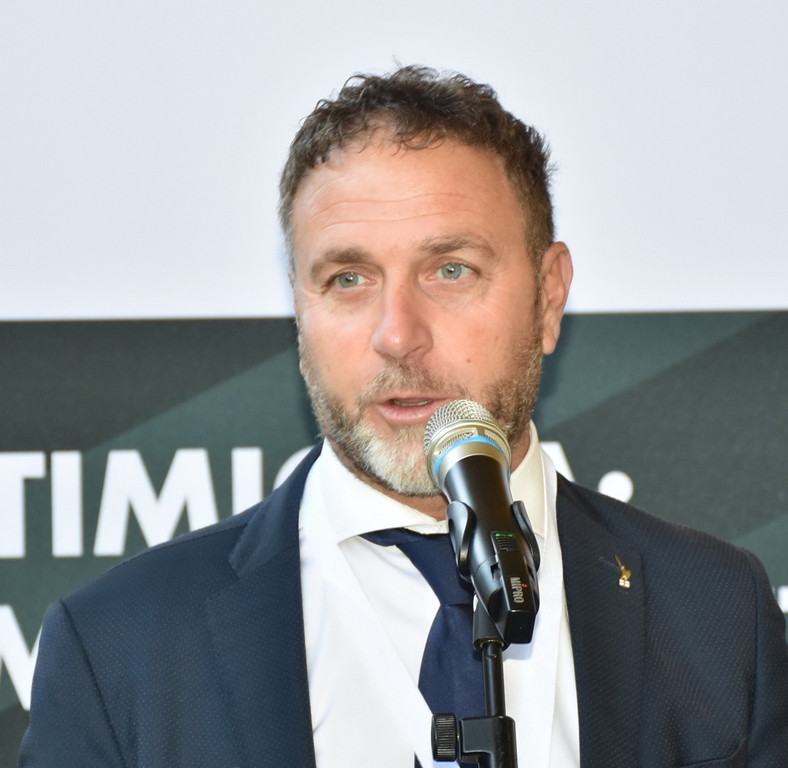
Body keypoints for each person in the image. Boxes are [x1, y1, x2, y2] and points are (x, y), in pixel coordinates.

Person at [19, 66, 788, 767]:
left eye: (451, 270)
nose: (397, 334)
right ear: (300, 310)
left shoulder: (718, 614)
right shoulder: (119, 646)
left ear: (549, 297)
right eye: (348, 278)